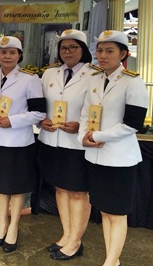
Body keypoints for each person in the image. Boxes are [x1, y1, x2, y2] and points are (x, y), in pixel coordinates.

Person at [78, 30, 148, 266]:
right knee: (106, 212)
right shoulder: (95, 79)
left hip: (119, 159)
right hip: (96, 157)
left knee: (117, 214)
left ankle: (110, 262)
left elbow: (133, 124)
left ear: (123, 54)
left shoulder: (132, 81)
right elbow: (86, 113)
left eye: (109, 51)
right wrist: (82, 137)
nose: (103, 55)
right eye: (99, 50)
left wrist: (98, 135)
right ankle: (113, 259)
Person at [0, 36, 46, 253]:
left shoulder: (30, 78)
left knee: (17, 187)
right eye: (3, 52)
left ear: (19, 56)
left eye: (12, 52)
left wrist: (14, 120)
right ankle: (2, 225)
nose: (7, 56)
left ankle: (14, 228)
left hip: (19, 141)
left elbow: (39, 112)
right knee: (0, 184)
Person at [39, 29, 97, 260]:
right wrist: (42, 120)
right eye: (64, 47)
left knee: (78, 193)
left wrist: (80, 127)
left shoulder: (94, 74)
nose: (68, 51)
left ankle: (75, 241)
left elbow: (96, 110)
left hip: (76, 144)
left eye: (73, 47)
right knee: (60, 189)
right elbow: (40, 103)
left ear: (83, 50)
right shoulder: (50, 73)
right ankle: (66, 235)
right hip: (51, 140)